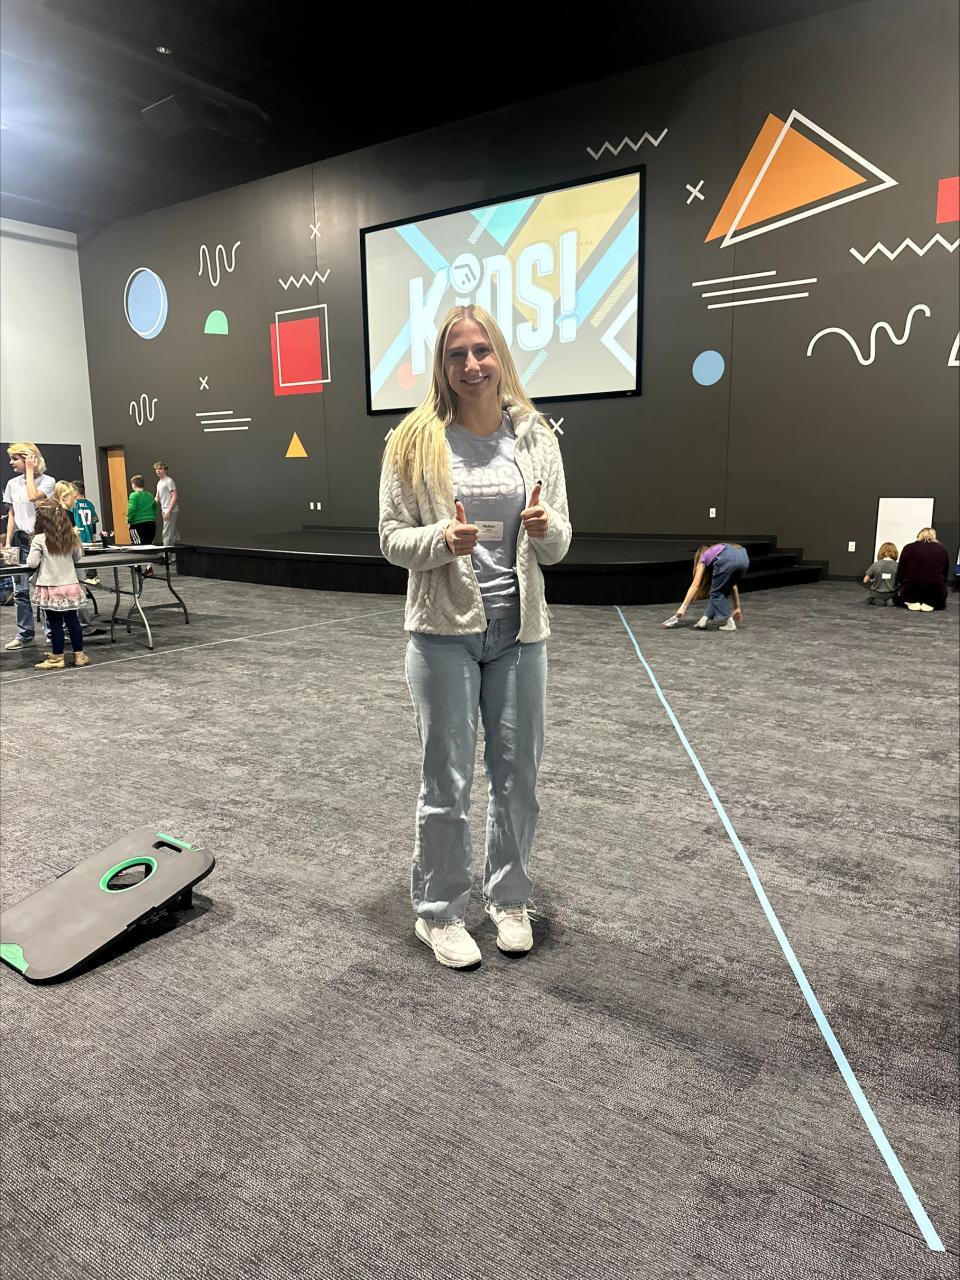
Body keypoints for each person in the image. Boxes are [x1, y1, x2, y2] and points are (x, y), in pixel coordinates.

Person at [379, 304, 571, 970]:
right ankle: (436, 912)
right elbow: (390, 538)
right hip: (443, 635)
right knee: (448, 779)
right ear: (442, 364)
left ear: (500, 357)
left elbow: (560, 543)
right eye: (456, 353)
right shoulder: (412, 441)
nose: (471, 365)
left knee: (518, 778)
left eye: (481, 350)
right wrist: (441, 538)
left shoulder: (537, 438)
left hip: (520, 634)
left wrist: (546, 529)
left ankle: (508, 899)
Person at [2, 442, 56, 651]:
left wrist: (31, 471)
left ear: (29, 458)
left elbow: (33, 496)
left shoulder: (48, 481)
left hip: (42, 540)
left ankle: (52, 633)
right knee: (20, 590)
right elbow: (12, 514)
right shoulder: (12, 484)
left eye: (15, 458)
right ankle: (24, 634)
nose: (11, 462)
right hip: (20, 539)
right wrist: (7, 542)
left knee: (45, 588)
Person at [26, 500, 90, 670]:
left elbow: (32, 563)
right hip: (70, 585)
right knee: (72, 620)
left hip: (51, 586)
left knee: (54, 622)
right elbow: (77, 557)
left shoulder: (39, 539)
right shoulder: (71, 536)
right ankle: (79, 655)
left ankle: (57, 657)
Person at [668, 543, 750, 630]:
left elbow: (695, 585)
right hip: (744, 558)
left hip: (728, 559)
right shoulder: (719, 551)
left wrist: (683, 607)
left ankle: (730, 622)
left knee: (716, 593)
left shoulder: (704, 556)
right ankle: (704, 620)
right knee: (719, 591)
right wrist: (737, 608)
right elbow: (733, 586)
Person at [896, 527, 950, 611]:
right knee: (938, 594)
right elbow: (945, 573)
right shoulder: (942, 549)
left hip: (911, 588)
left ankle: (912, 601)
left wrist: (902, 585)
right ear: (934, 536)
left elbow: (901, 571)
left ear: (919, 535)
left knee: (907, 592)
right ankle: (931, 603)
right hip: (935, 590)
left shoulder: (908, 548)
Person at [71, 481, 101, 585]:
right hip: (88, 535)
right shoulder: (90, 504)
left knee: (78, 558)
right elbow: (94, 521)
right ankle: (93, 576)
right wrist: (93, 535)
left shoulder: (73, 505)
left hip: (78, 536)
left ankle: (80, 578)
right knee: (90, 557)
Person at [153, 461, 179, 546]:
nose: (158, 471)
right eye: (156, 469)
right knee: (171, 531)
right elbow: (157, 498)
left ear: (165, 470)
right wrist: (149, 506)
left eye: (160, 469)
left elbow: (174, 497)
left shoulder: (169, 481)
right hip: (164, 510)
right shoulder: (159, 482)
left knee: (167, 532)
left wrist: (168, 511)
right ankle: (171, 552)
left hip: (171, 510)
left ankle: (166, 551)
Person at [127, 475, 157, 544]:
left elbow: (131, 508)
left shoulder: (134, 495)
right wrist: (151, 517)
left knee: (138, 545)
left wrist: (128, 519)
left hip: (137, 524)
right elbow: (154, 507)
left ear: (133, 485)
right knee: (149, 544)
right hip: (151, 523)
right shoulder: (150, 495)